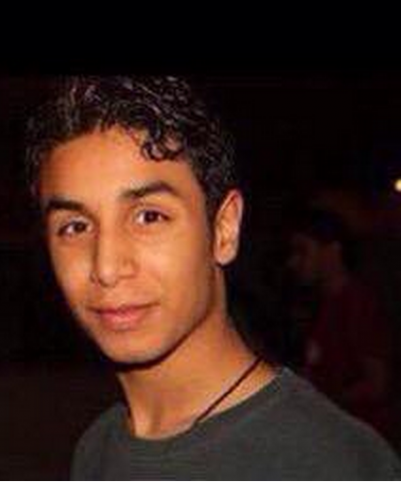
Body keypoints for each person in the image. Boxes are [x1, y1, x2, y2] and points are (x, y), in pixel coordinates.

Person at [24, 76, 401, 479]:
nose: (106, 267)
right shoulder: (96, 449)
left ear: (224, 230)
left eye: (149, 217)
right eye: (75, 227)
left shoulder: (331, 463)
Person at [287, 207, 396, 440]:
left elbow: (376, 385)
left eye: (303, 250)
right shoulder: (319, 305)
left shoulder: (359, 304)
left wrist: (323, 401)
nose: (294, 262)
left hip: (364, 442)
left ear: (332, 251)